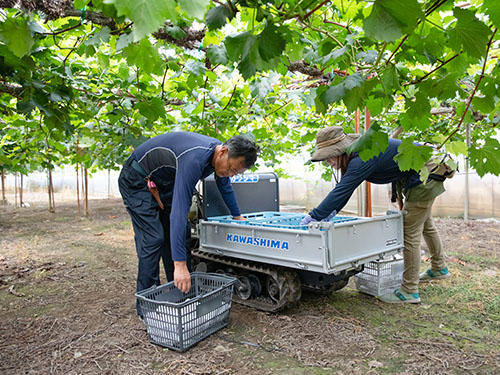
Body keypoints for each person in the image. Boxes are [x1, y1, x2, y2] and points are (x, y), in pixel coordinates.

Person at [301, 126, 450, 304]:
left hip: (426, 173)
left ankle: (409, 290)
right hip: (428, 169)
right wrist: (327, 214)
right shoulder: (359, 149)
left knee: (409, 231)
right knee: (425, 222)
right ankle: (439, 267)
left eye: (329, 157)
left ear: (340, 151)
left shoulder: (362, 157)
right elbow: (343, 192)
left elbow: (342, 190)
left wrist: (315, 216)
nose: (328, 162)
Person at [118, 132, 259, 317]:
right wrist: (180, 264)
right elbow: (179, 211)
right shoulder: (195, 158)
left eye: (235, 173)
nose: (230, 174)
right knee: (153, 238)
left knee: (180, 235)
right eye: (231, 169)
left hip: (163, 181)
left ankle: (181, 295)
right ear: (224, 151)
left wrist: (237, 216)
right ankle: (148, 306)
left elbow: (224, 185)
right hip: (136, 179)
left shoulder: (219, 158)